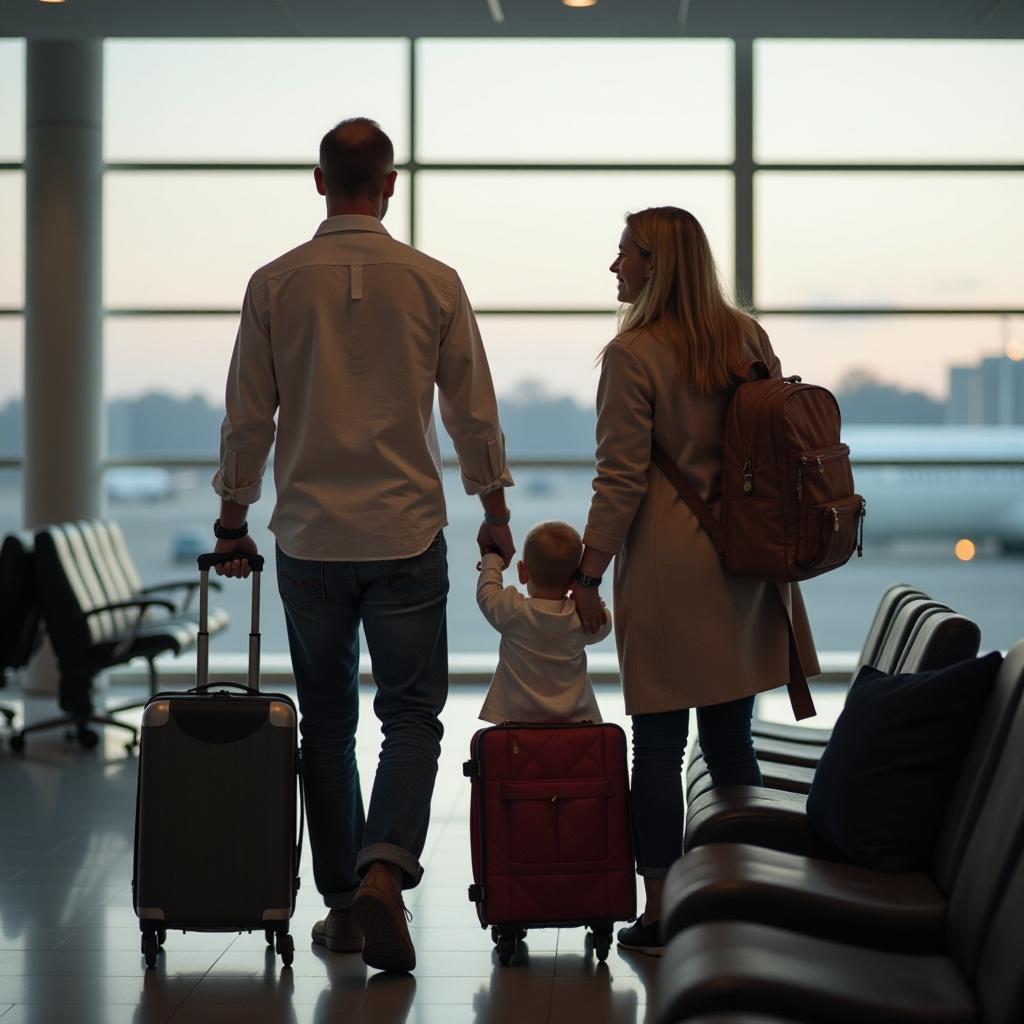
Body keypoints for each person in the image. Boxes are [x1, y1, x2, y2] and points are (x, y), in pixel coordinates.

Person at [209, 118, 515, 973]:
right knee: (412, 715)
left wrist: (233, 519)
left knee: (329, 726)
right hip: (407, 532)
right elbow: (472, 413)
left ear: (318, 182)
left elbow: (248, 417)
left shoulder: (274, 284)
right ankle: (387, 870)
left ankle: (344, 913)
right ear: (389, 184)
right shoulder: (435, 282)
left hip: (309, 538)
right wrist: (493, 510)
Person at [572, 206, 819, 957]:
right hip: (745, 561)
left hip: (671, 567)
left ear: (657, 264)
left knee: (657, 742)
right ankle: (734, 897)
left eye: (625, 256)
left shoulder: (633, 355)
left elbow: (619, 480)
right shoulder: (745, 338)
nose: (614, 269)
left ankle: (659, 909)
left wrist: (588, 572)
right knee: (728, 739)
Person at [477, 521, 611, 725]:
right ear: (574, 579)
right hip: (576, 724)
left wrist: (492, 559)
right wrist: (590, 599)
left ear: (522, 571)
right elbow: (605, 623)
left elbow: (487, 592)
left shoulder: (513, 611)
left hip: (515, 722)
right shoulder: (580, 618)